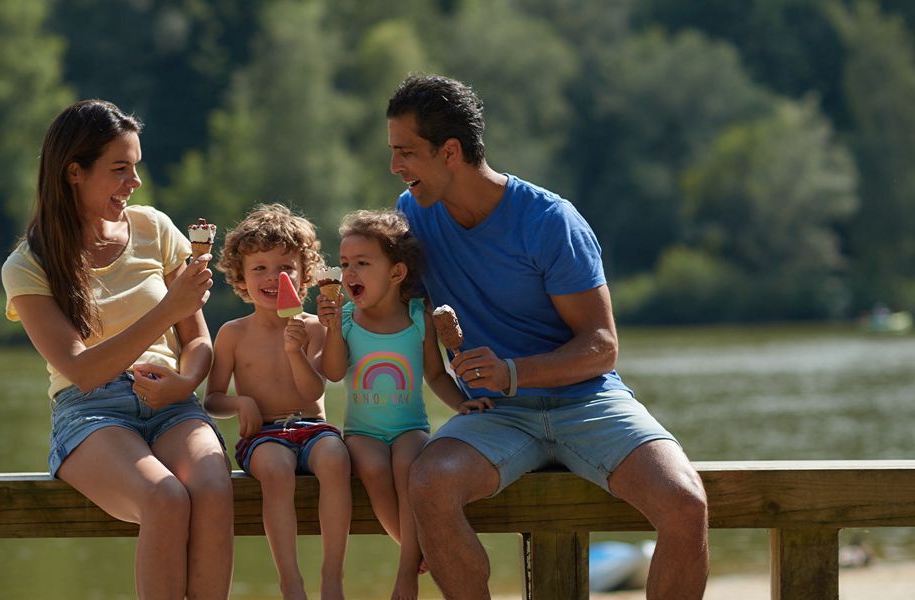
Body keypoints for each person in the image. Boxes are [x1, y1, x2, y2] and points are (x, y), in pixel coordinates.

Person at [387, 74, 710, 598]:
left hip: (588, 402)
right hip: (496, 415)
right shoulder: (412, 216)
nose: (397, 168)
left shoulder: (549, 221)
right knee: (429, 482)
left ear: (449, 151)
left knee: (686, 503)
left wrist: (513, 372)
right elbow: (389, 304)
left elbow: (602, 346)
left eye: (406, 153)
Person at [1, 99, 233, 599]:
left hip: (173, 402)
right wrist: (168, 309)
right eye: (120, 169)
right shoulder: (27, 265)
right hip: (91, 415)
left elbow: (197, 341)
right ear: (74, 173)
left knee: (214, 488)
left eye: (137, 168)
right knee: (166, 498)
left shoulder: (155, 229)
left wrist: (186, 381)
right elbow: (81, 370)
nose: (135, 182)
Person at [316, 209, 475, 600]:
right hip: (361, 432)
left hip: (410, 427)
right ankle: (419, 550)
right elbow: (333, 373)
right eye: (344, 264)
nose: (349, 273)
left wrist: (463, 405)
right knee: (370, 465)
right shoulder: (347, 317)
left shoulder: (419, 317)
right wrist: (332, 330)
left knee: (408, 463)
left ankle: (407, 573)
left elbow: (436, 375)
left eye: (362, 263)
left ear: (396, 273)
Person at [205, 204, 352, 600]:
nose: (273, 278)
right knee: (275, 469)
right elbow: (211, 399)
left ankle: (332, 577)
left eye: (285, 268)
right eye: (260, 269)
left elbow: (313, 393)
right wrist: (240, 404)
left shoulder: (314, 327)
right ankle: (290, 581)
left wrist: (295, 351)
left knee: (337, 459)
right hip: (264, 436)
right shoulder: (232, 334)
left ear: (305, 276)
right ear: (240, 277)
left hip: (313, 426)